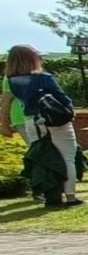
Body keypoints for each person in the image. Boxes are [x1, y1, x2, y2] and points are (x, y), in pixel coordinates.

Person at [1, 44, 83, 207]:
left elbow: (7, 102)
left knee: (44, 158)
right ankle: (70, 196)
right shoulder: (44, 77)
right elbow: (62, 98)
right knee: (67, 157)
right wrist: (70, 111)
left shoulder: (12, 81)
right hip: (54, 120)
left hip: (31, 120)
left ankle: (52, 197)